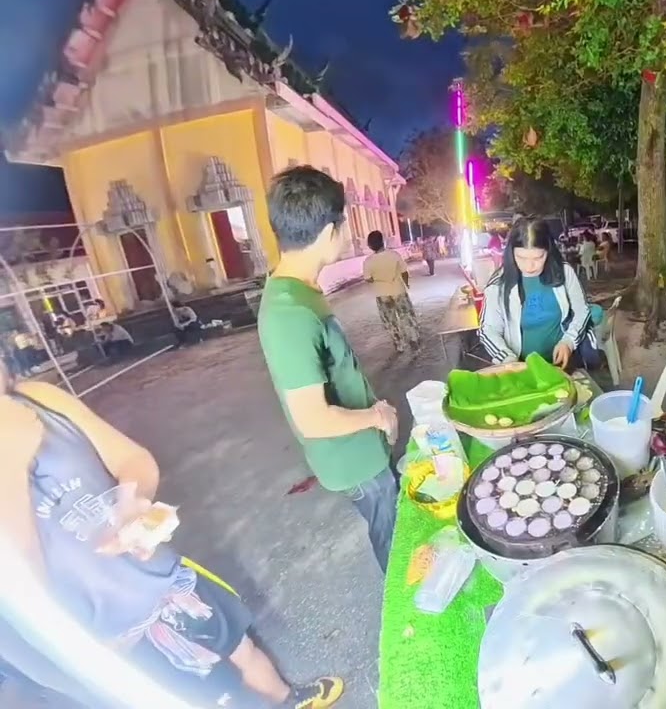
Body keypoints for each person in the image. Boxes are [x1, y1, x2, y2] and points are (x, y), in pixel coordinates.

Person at [0, 360, 344, 709]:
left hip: (160, 579)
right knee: (215, 697)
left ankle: (289, 700)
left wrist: (132, 501)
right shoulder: (14, 442)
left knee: (241, 647)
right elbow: (23, 585)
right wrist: (11, 462)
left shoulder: (39, 399)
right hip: (112, 634)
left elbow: (133, 459)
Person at [257, 166, 399, 572]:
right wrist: (377, 415)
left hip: (362, 447)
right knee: (393, 542)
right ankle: (407, 621)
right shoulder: (289, 313)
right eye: (344, 223)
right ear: (328, 232)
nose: (347, 232)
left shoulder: (300, 289)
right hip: (353, 461)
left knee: (393, 528)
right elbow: (313, 420)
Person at [478, 219, 598, 369]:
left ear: (548, 250)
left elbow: (582, 310)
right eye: (521, 258)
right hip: (519, 367)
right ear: (511, 252)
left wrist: (568, 341)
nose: (529, 267)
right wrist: (507, 358)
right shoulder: (498, 284)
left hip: (562, 362)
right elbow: (488, 329)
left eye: (538, 257)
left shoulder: (564, 272)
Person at [362, 230, 422, 353]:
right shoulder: (394, 255)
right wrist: (406, 284)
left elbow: (368, 278)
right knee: (406, 316)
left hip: (382, 294)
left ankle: (399, 344)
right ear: (383, 242)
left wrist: (378, 280)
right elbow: (404, 271)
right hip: (398, 290)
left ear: (370, 245)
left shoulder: (368, 261)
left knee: (390, 320)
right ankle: (414, 341)